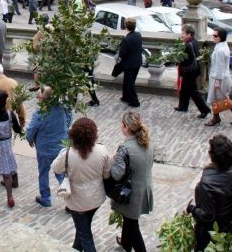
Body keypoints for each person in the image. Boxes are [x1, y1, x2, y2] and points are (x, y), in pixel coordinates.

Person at [51, 118, 110, 251]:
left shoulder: (67, 154)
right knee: (83, 227)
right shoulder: (102, 150)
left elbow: (55, 168)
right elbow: (107, 174)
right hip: (96, 199)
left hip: (77, 202)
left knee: (85, 234)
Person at [187, 134, 232, 251]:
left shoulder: (207, 183)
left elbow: (207, 215)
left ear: (213, 156)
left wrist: (192, 209)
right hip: (229, 224)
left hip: (211, 232)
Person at [109, 112, 154, 252]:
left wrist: (113, 159)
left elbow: (117, 175)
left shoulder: (124, 149)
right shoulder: (148, 143)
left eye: (122, 124)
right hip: (145, 188)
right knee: (128, 221)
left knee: (132, 225)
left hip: (130, 193)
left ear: (126, 127)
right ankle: (126, 245)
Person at [26, 86, 70, 207]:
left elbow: (31, 130)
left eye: (39, 96)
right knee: (61, 173)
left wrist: (29, 139)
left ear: (45, 99)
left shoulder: (40, 113)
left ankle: (45, 198)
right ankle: (69, 200)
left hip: (45, 149)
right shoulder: (63, 108)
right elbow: (69, 121)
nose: (37, 99)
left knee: (43, 172)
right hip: (61, 146)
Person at [206, 29, 232, 126]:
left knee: (217, 99)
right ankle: (231, 113)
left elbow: (219, 67)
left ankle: (216, 118)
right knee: (221, 98)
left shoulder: (220, 50)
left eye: (215, 36)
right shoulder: (222, 45)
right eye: (213, 35)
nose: (213, 37)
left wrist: (217, 81)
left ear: (221, 37)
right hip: (220, 76)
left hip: (218, 77)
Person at [116, 17, 142, 107]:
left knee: (129, 83)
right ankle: (125, 97)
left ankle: (135, 102)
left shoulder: (126, 39)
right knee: (128, 81)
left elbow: (122, 54)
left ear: (126, 26)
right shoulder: (138, 35)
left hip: (129, 64)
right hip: (137, 62)